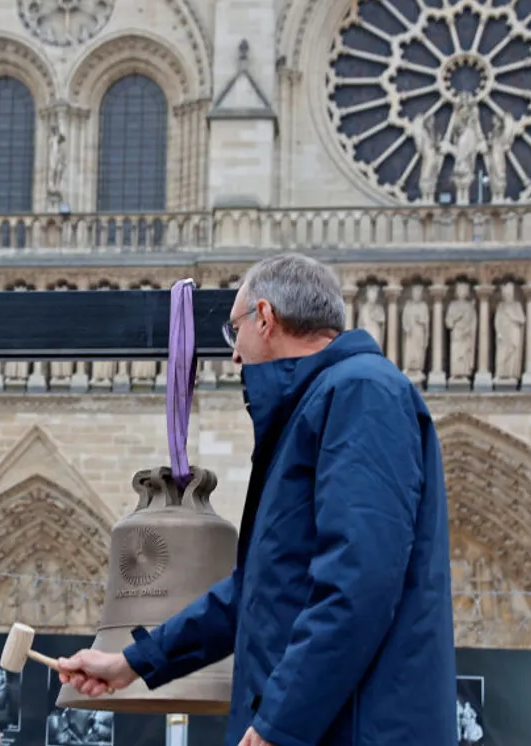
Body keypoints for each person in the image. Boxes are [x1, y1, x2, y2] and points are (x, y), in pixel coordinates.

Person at [56, 253, 456, 746]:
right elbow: (257, 593)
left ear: (264, 318)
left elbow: (359, 582)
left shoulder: (361, 394)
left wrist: (280, 724)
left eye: (234, 331)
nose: (234, 355)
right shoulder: (318, 407)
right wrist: (132, 662)